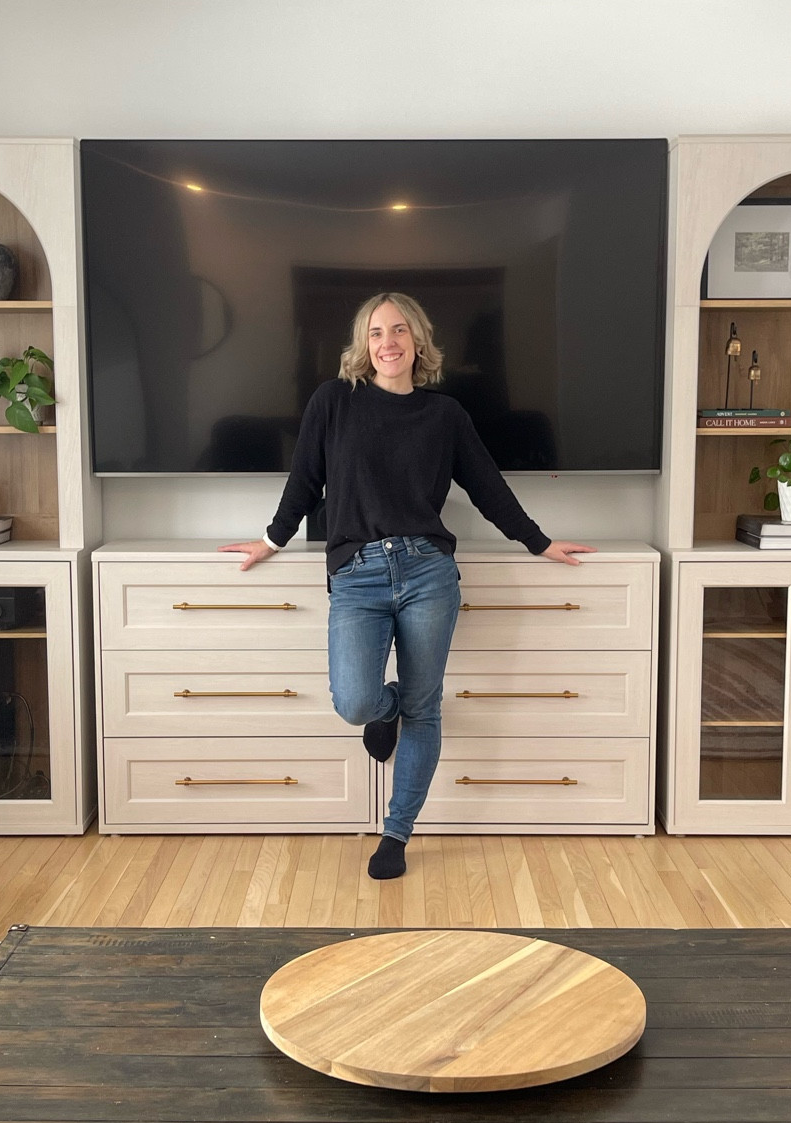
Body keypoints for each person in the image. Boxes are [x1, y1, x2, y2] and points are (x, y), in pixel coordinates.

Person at [221, 291, 593, 880]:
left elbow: (487, 488)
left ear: (418, 340)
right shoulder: (334, 402)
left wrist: (539, 542)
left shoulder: (444, 415)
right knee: (354, 701)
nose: (387, 342)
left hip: (427, 572)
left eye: (398, 331)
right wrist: (272, 540)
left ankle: (396, 834)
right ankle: (383, 708)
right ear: (362, 346)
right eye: (375, 333)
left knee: (426, 706)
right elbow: (304, 481)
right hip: (357, 574)